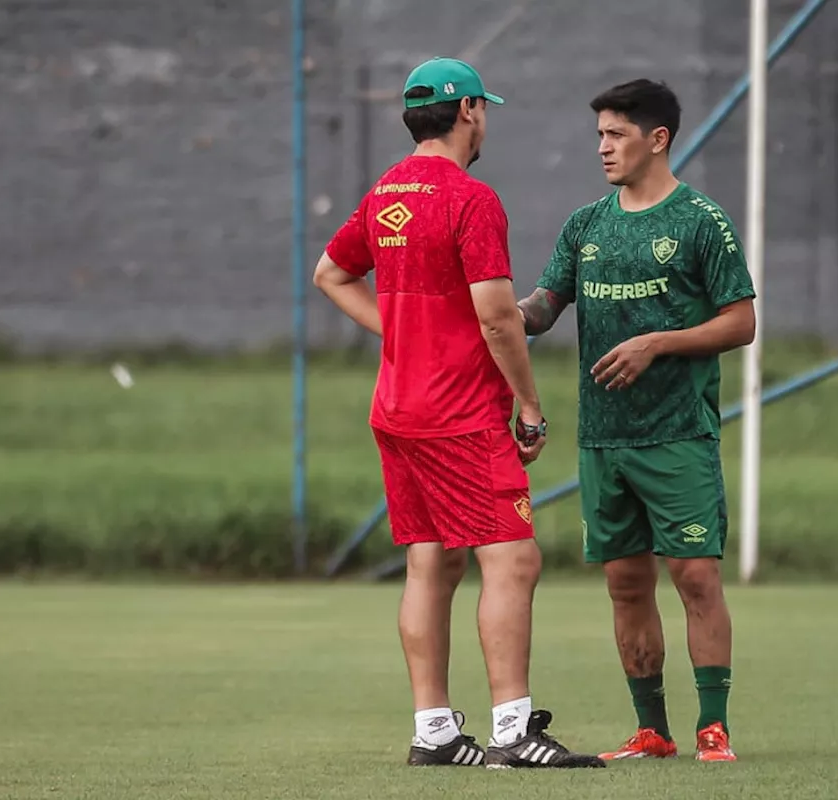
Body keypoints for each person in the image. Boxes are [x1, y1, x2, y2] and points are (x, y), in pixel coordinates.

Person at [313, 57, 603, 770]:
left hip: (398, 409)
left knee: (431, 564)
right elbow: (500, 316)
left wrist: (402, 336)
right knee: (513, 559)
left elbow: (331, 273)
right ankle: (512, 732)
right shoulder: (470, 198)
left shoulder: (386, 192)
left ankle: (435, 733)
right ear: (468, 110)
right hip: (459, 412)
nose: (487, 118)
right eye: (485, 107)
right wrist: (529, 404)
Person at [518, 78, 757, 763]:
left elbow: (740, 321)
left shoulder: (700, 222)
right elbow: (543, 306)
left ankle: (714, 725)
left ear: (658, 140)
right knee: (625, 584)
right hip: (603, 441)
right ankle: (652, 728)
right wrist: (503, 309)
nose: (603, 147)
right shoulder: (585, 224)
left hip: (677, 433)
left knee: (695, 578)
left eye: (616, 134)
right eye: (599, 135)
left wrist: (658, 343)